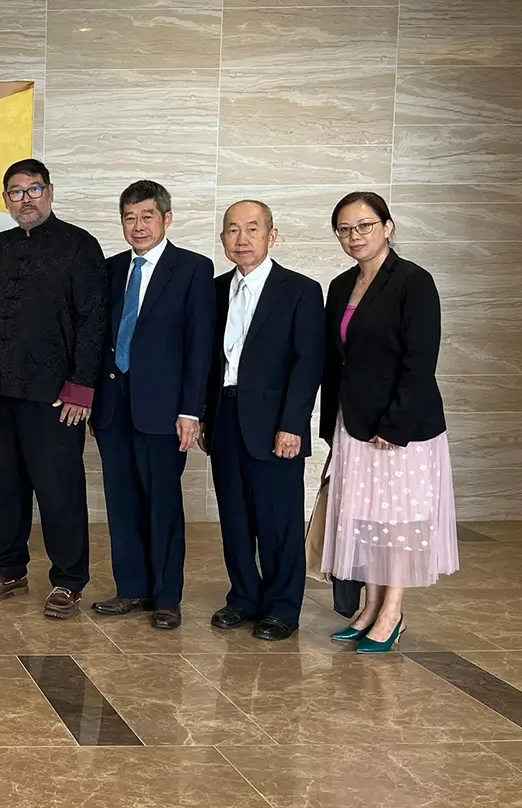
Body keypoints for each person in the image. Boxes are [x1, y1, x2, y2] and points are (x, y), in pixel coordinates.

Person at [0, 158, 107, 619]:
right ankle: (8, 570)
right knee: (4, 487)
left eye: (34, 189)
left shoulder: (79, 245)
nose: (26, 199)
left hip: (55, 396)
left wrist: (81, 387)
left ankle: (68, 581)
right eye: (16, 191)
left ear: (50, 192)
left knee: (59, 491)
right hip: (1, 388)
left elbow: (93, 321)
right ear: (6, 199)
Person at [321, 191, 456, 653]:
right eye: (345, 229)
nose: (355, 236)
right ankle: (370, 605)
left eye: (364, 226)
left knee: (397, 521)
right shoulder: (341, 285)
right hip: (354, 423)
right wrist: (331, 424)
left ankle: (392, 612)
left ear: (388, 227)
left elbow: (420, 363)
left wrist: (394, 425)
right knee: (366, 518)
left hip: (401, 428)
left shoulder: (414, 282)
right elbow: (335, 363)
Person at [90, 181, 214, 630]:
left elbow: (200, 345)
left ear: (167, 218)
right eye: (129, 218)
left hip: (164, 410)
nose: (138, 226)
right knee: (121, 501)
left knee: (162, 503)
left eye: (147, 216)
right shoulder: (109, 269)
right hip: (113, 406)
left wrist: (191, 410)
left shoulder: (193, 269)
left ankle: (166, 597)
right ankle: (131, 588)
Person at [202, 200, 324, 641]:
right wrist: (203, 416)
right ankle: (243, 597)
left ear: (272, 236)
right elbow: (206, 361)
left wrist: (293, 424)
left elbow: (308, 363)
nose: (242, 239)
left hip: (276, 423)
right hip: (225, 416)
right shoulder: (214, 290)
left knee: (278, 519)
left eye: (252, 229)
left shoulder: (300, 290)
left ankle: (282, 607)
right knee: (234, 516)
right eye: (233, 230)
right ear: (223, 239)